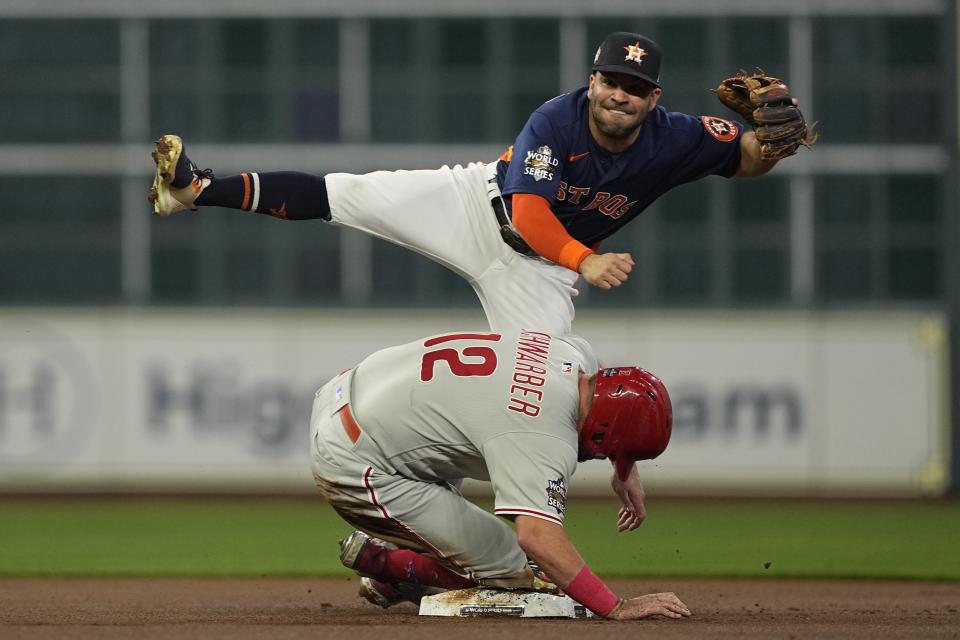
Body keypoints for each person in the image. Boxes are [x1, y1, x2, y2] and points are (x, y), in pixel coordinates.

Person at [149, 32, 813, 335]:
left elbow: (747, 159)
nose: (620, 95)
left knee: (542, 389)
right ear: (593, 82)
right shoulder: (557, 120)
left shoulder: (680, 135)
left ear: (654, 97)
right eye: (612, 82)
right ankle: (194, 190)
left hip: (540, 274)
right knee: (342, 193)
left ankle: (515, 532)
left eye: (635, 89)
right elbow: (528, 216)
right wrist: (589, 259)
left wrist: (772, 143)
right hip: (477, 205)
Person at [308, 328, 689, 620]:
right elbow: (537, 536)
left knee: (457, 441)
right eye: (613, 451)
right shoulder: (543, 432)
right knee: (513, 567)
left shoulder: (572, 353)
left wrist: (624, 468)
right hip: (355, 457)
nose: (604, 456)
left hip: (352, 393)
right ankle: (388, 564)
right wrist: (616, 606)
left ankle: (410, 554)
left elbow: (605, 410)